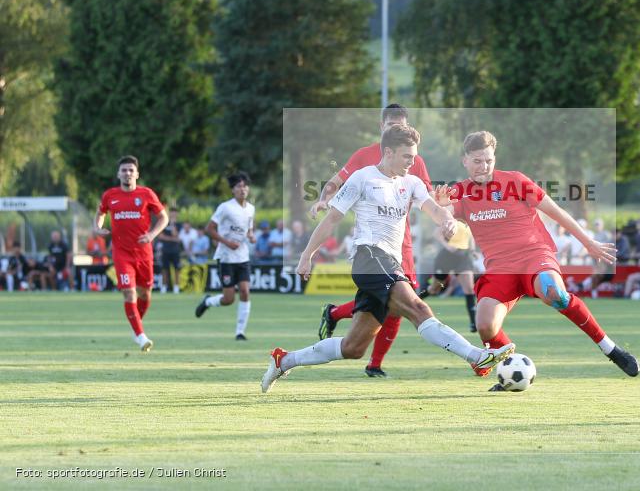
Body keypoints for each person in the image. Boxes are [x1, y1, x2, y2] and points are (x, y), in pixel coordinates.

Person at [261, 125, 514, 393]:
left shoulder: (411, 182)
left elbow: (433, 208)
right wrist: (306, 255)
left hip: (389, 262)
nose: (412, 162)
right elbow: (332, 219)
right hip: (368, 256)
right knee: (418, 309)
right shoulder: (362, 178)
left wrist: (447, 221)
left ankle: (284, 360)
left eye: (414, 156)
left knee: (353, 347)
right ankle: (476, 357)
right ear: (389, 152)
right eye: (407, 156)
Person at [436, 130, 638, 391]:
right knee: (484, 325)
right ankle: (509, 369)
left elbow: (557, 211)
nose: (483, 166)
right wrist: (442, 211)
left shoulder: (516, 181)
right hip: (500, 269)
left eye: (488, 160)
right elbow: (445, 218)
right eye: (477, 161)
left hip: (535, 256)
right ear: (465, 160)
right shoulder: (459, 193)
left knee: (554, 293)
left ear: (494, 158)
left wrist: (588, 243)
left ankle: (610, 349)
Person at [310, 104, 433, 378]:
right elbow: (335, 183)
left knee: (395, 304)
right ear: (382, 127)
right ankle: (374, 363)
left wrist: (444, 211)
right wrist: (323, 199)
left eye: (401, 125)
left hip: (402, 241)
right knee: (400, 301)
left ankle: (337, 317)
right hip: (372, 242)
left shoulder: (414, 158)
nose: (396, 129)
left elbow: (425, 196)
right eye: (391, 125)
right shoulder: (363, 156)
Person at [94, 155, 169, 351]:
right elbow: (101, 213)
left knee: (146, 294)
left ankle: (136, 328)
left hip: (144, 253)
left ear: (137, 174)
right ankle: (141, 335)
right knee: (129, 293)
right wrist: (98, 227)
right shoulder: (110, 195)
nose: (127, 173)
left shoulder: (146, 194)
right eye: (124, 170)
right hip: (121, 253)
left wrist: (152, 235)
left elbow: (164, 218)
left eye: (130, 170)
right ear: (118, 174)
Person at [196, 172, 256, 340]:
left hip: (243, 256)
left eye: (245, 186)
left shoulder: (251, 208)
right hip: (226, 256)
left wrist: (251, 235)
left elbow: (249, 228)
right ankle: (208, 301)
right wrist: (227, 242)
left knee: (245, 291)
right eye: (238, 186)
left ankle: (240, 332)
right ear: (232, 190)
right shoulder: (225, 207)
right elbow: (209, 229)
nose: (242, 189)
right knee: (228, 298)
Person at [422, 221, 477, 332]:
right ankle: (413, 301)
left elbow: (471, 237)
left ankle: (473, 323)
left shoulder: (470, 219)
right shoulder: (451, 217)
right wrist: (447, 246)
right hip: (447, 257)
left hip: (463, 257)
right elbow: (437, 233)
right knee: (434, 289)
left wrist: (472, 250)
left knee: (469, 289)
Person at [156, 208, 182, 293]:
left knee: (177, 269)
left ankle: (176, 288)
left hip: (175, 250)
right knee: (164, 269)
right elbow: (160, 236)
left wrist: (172, 224)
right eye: (172, 213)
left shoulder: (178, 225)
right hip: (165, 250)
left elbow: (176, 235)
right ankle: (164, 287)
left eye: (175, 214)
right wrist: (172, 239)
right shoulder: (164, 223)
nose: (173, 215)